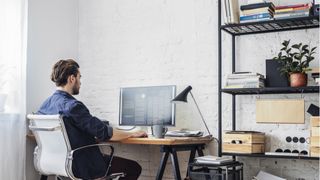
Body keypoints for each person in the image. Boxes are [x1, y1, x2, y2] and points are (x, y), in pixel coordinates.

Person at [37, 59, 147, 180]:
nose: (80, 82)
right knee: (134, 168)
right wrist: (132, 133)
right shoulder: (73, 106)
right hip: (83, 165)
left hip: (57, 164)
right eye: (79, 77)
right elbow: (106, 133)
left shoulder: (44, 106)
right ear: (72, 79)